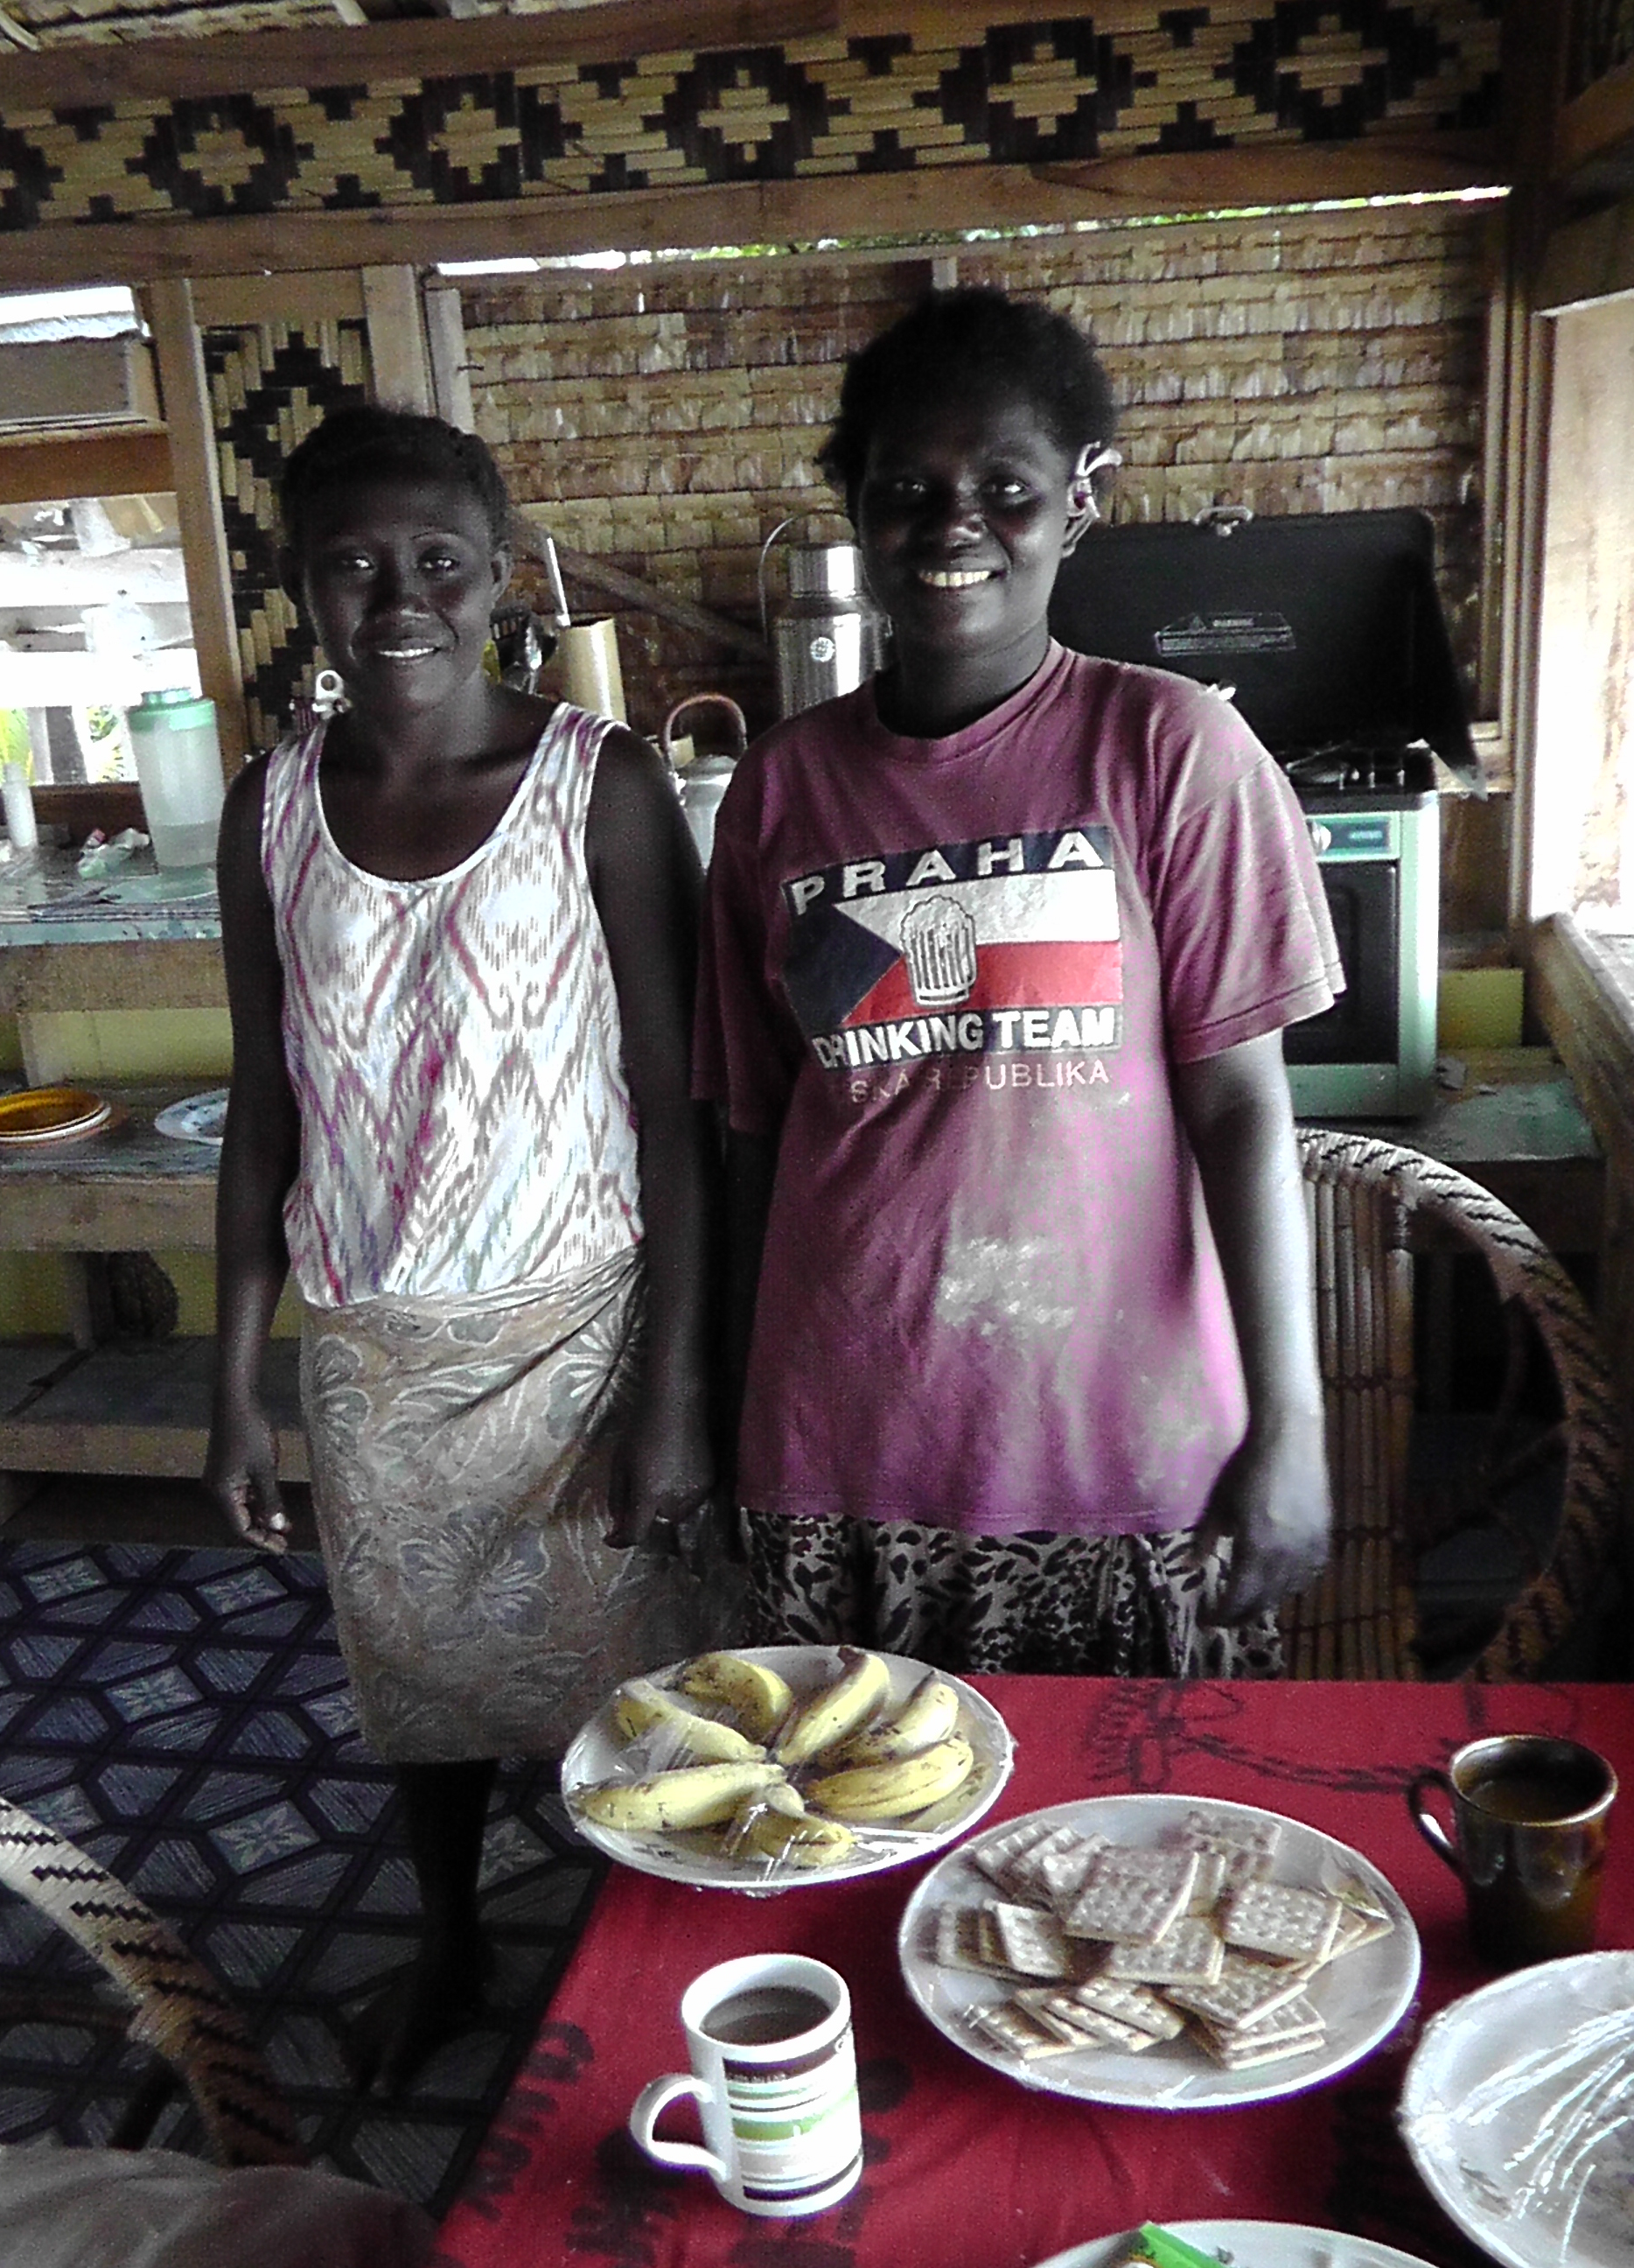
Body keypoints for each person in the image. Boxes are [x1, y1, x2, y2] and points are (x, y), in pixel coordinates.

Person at [695, 286, 1343, 1680]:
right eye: (906, 491)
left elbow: (1242, 1109)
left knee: (1134, 1812)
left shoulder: (1171, 752)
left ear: (1081, 497)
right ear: (853, 505)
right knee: (856, 1797)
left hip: (1119, 1454)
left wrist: (1291, 1422)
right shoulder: (781, 790)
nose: (954, 526)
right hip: (840, 1446)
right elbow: (756, 1137)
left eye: (1006, 487)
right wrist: (722, 1412)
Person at [206, 403, 725, 2093]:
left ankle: (649, 1953)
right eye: (352, 566)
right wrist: (234, 1386)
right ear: (302, 587)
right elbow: (266, 1105)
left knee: (636, 1683)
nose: (399, 598)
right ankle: (451, 1940)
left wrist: (674, 1394)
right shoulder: (271, 807)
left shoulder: (598, 783)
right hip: (374, 1343)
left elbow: (677, 1108)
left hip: (582, 1329)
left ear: (500, 578)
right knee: (416, 1677)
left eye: (439, 561)